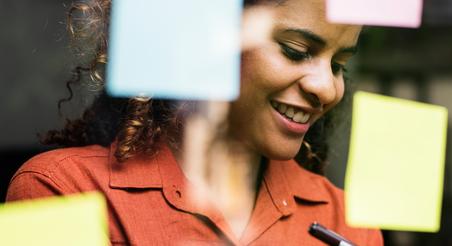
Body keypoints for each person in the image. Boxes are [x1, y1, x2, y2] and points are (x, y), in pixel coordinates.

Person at [6, 0, 383, 245]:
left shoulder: (346, 221)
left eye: (338, 66)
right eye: (296, 51)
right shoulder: (58, 190)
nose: (327, 88)